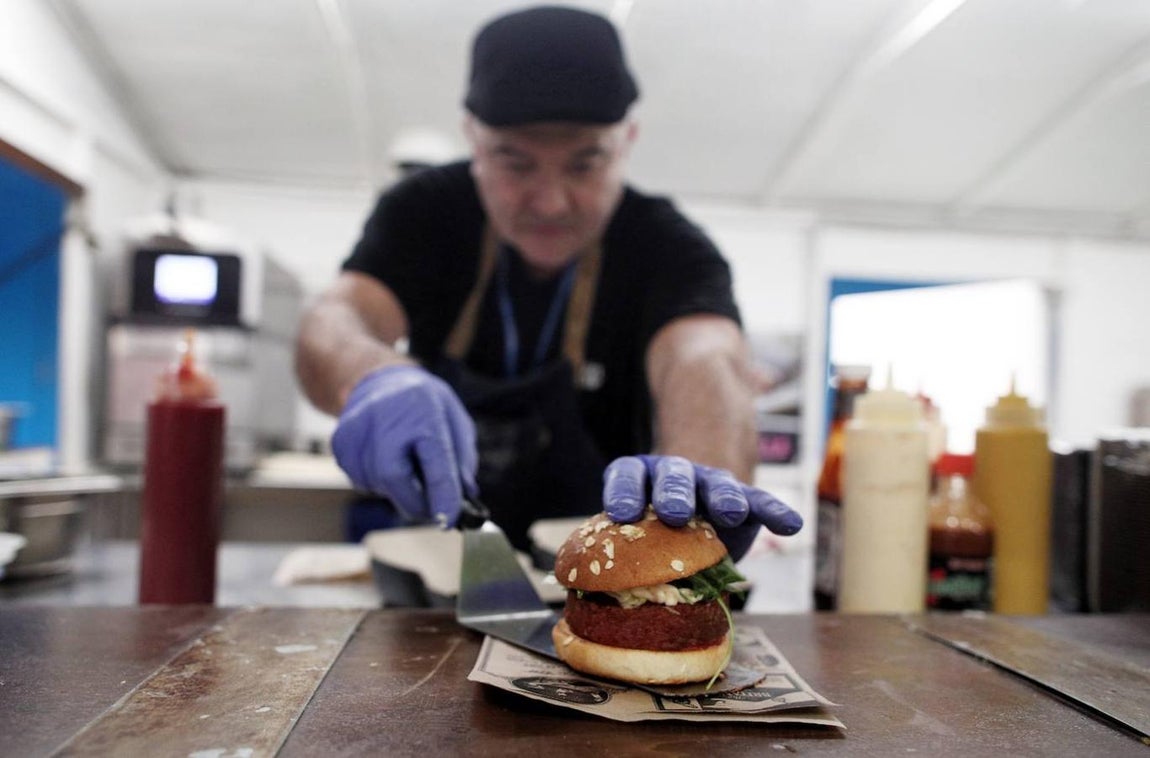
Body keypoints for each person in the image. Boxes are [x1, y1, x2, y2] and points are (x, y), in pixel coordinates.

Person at [295, 5, 801, 560]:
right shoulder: (423, 215)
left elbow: (705, 358)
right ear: (474, 141)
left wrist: (703, 481)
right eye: (516, 163)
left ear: (627, 141)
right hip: (435, 558)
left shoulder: (669, 248)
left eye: (584, 165)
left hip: (613, 562)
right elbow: (337, 317)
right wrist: (373, 375)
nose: (551, 202)